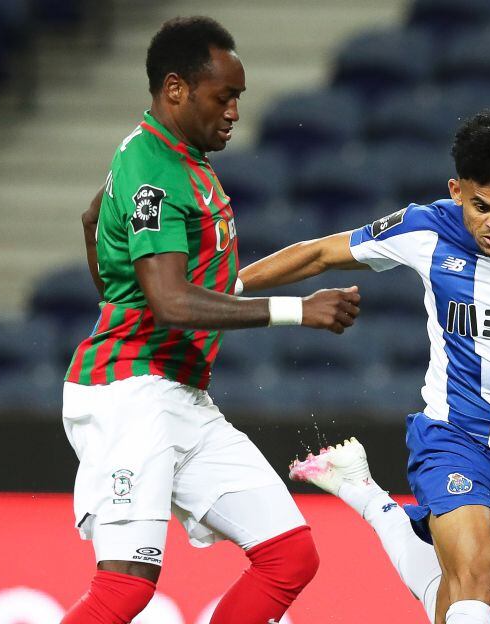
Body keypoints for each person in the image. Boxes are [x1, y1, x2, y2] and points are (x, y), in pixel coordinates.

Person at [237, 111, 490, 624]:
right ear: (456, 190)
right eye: (480, 207)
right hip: (451, 438)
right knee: (475, 579)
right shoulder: (425, 228)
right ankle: (371, 495)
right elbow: (319, 253)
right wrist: (223, 291)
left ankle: (366, 495)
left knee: (457, 606)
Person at [60, 16, 361, 624]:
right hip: (131, 394)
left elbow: (95, 218)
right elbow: (171, 303)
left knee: (289, 556)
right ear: (176, 89)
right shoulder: (155, 169)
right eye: (223, 96)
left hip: (182, 397)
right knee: (125, 591)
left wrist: (117, 291)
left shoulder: (172, 159)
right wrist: (295, 311)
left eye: (238, 99)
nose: (233, 112)